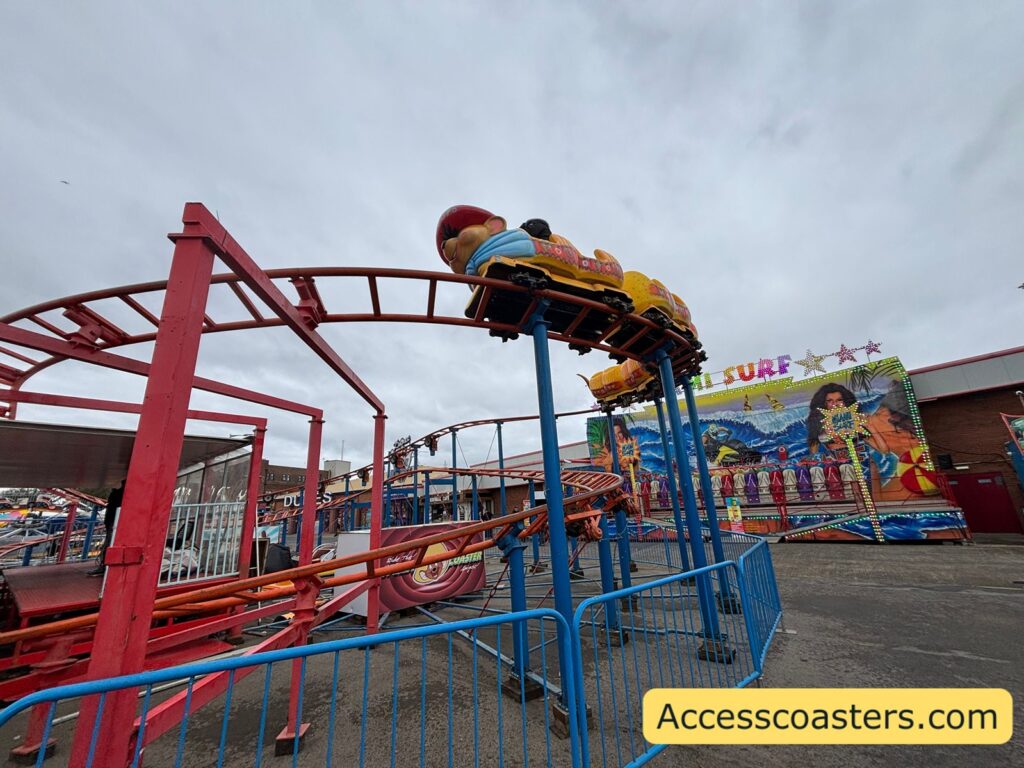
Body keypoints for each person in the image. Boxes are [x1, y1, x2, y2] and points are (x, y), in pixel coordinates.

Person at [87, 478, 125, 576]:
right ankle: (106, 565)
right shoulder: (120, 495)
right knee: (110, 542)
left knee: (109, 542)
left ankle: (105, 565)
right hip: (114, 521)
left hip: (113, 521)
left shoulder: (117, 495)